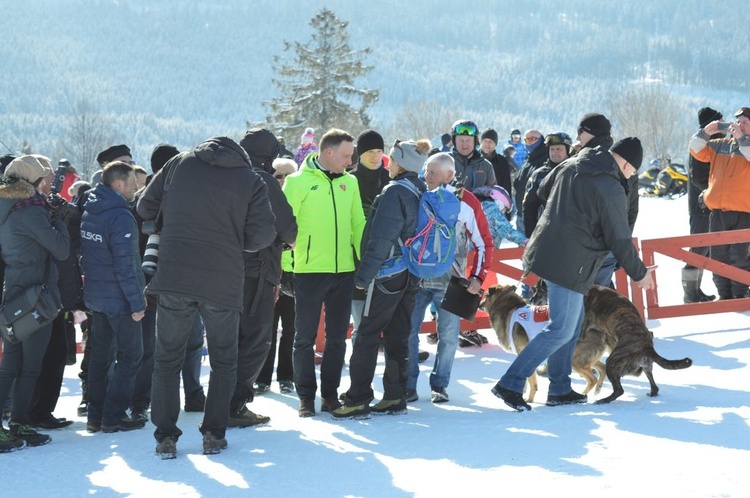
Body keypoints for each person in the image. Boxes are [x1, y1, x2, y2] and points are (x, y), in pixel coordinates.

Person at [492, 137, 656, 412]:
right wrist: (640, 274)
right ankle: (511, 382)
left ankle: (559, 388)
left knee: (571, 324)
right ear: (627, 164)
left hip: (550, 250)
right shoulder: (610, 187)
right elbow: (619, 238)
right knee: (561, 329)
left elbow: (542, 191)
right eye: (632, 171)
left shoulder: (573, 163)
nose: (631, 176)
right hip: (571, 262)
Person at [137, 136, 276, 458]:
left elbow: (144, 206)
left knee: (167, 359)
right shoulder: (250, 179)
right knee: (224, 360)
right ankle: (214, 433)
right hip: (222, 279)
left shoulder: (178, 163)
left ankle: (165, 437)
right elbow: (263, 235)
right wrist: (231, 240)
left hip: (174, 275)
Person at [332, 139, 431, 419]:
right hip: (411, 273)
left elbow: (380, 240)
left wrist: (363, 276)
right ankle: (395, 395)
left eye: (392, 159)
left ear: (402, 163)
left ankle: (357, 398)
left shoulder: (394, 193)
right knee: (398, 335)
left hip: (388, 274)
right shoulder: (419, 189)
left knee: (366, 335)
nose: (388, 162)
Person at [282, 128, 366, 418]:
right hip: (308, 270)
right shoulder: (296, 182)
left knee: (337, 337)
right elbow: (284, 227)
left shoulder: (350, 183)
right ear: (327, 152)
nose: (350, 160)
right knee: (303, 337)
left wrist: (365, 263)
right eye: (346, 155)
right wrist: (286, 267)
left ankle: (329, 395)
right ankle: (305, 397)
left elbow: (359, 224)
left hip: (344, 270)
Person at [405, 152, 493, 403]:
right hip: (417, 277)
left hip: (453, 280)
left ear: (449, 175)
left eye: (432, 172)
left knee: (449, 335)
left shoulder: (467, 201)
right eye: (425, 171)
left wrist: (477, 277)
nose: (426, 176)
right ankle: (409, 385)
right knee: (407, 331)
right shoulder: (417, 194)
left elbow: (484, 242)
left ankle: (440, 385)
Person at [129, 144, 207, 423]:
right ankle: (194, 394)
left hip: (149, 279)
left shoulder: (141, 198)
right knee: (190, 341)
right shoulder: (189, 196)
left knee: (151, 346)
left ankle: (141, 401)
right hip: (185, 278)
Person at [0, 155, 70, 450]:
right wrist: (60, 220)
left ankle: (11, 427)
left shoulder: (7, 205)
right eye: (42, 178)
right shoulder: (31, 211)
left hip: (13, 289)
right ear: (31, 181)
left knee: (11, 363)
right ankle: (20, 423)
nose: (46, 183)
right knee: (30, 367)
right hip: (35, 295)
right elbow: (62, 250)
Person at [229, 129, 297, 428]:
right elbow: (288, 229)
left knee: (226, 339)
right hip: (257, 270)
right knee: (256, 339)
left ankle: (218, 398)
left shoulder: (224, 176)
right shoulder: (263, 180)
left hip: (221, 269)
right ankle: (234, 404)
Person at [80, 161, 146, 433]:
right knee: (131, 356)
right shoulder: (119, 216)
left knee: (100, 358)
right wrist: (137, 303)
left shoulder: (91, 209)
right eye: (132, 183)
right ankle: (113, 416)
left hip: (97, 296)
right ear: (118, 184)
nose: (136, 187)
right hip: (119, 299)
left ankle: (95, 416)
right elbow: (125, 264)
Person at [688, 106, 750, 300]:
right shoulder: (720, 144)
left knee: (740, 258)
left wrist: (741, 138)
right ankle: (724, 296)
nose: (739, 125)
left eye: (745, 122)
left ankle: (739, 296)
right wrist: (707, 131)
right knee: (718, 257)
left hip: (744, 212)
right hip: (718, 212)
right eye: (738, 122)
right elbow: (695, 148)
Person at [576, 113, 639, 288]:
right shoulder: (587, 163)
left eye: (580, 131)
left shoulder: (584, 164)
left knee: (594, 299)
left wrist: (621, 246)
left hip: (598, 247)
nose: (577, 136)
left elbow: (630, 211)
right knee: (598, 297)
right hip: (602, 246)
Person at [255, 158, 299, 395]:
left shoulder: (298, 200)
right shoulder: (264, 200)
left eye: (286, 176)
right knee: (267, 327)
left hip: (294, 272)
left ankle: (286, 375)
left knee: (291, 328)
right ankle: (262, 377)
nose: (281, 180)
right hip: (270, 272)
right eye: (277, 176)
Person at [349, 129, 391, 345]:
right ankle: (359, 363)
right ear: (360, 154)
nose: (375, 156)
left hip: (388, 257)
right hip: (356, 258)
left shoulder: (390, 178)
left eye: (379, 151)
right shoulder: (350, 180)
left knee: (388, 320)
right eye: (370, 152)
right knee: (360, 323)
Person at [682, 107, 723, 303]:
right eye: (720, 122)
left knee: (704, 249)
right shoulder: (702, 144)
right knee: (698, 249)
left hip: (708, 204)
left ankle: (694, 291)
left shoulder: (712, 142)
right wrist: (715, 191)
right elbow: (698, 176)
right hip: (701, 207)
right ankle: (690, 292)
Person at [522, 132, 573, 237]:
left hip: (574, 234)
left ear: (568, 150)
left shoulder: (576, 172)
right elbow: (529, 207)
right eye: (552, 149)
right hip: (546, 234)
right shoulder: (539, 175)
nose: (554, 153)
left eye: (558, 149)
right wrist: (531, 236)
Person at [513, 129, 545, 235]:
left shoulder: (546, 160)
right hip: (521, 216)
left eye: (532, 139)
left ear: (541, 140)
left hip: (536, 217)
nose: (529, 142)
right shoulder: (528, 160)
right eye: (526, 139)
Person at [448, 120, 496, 191]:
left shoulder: (485, 166)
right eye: (461, 140)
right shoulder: (445, 162)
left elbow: (494, 193)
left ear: (475, 141)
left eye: (468, 140)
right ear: (454, 141)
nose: (464, 144)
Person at [479, 128, 513, 201]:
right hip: (476, 201)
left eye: (490, 141)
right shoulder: (473, 159)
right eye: (485, 141)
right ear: (480, 142)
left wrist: (507, 203)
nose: (487, 144)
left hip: (496, 202)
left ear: (495, 144)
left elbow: (506, 186)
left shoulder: (502, 162)